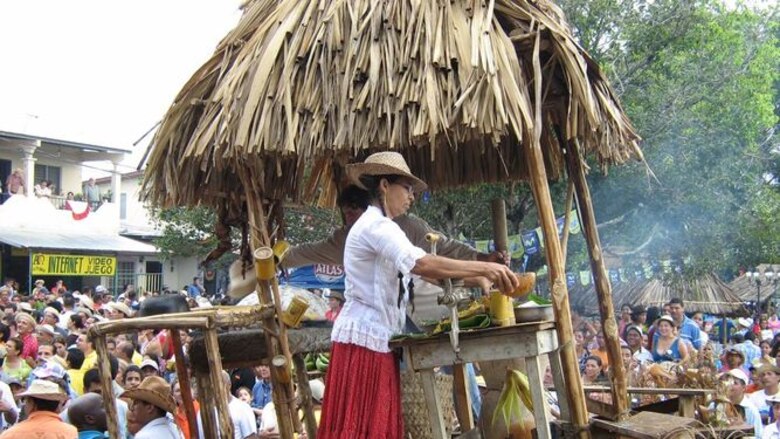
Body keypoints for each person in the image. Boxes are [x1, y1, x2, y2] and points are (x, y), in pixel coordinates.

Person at [316, 152, 519, 438]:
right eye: (407, 188)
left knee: (373, 426)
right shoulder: (376, 226)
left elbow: (424, 274)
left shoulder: (385, 227)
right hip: (364, 338)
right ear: (385, 185)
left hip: (376, 338)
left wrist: (480, 277)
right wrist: (486, 267)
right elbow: (421, 263)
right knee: (363, 428)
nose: (411, 197)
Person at [0, 379, 74, 439]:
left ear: (31, 403)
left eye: (26, 401)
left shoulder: (11, 434)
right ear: (58, 405)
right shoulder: (70, 433)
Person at [719, 369, 762, 436]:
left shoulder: (751, 410)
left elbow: (758, 435)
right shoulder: (715, 405)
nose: (730, 385)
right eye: (727, 381)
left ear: (744, 388)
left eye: (735, 383)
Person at [221, 370, 258, 439]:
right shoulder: (204, 412)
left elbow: (251, 437)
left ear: (229, 385)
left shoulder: (243, 408)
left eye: (220, 384)